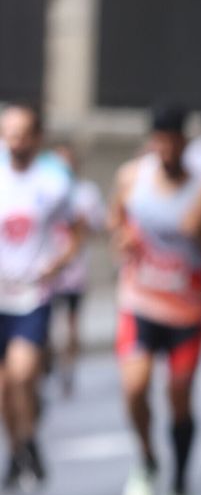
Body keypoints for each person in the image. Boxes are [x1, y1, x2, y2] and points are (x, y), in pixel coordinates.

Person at [108, 105, 201, 495]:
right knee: (133, 389)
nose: (164, 149)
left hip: (185, 313)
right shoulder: (131, 177)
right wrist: (121, 240)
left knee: (179, 400)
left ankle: (179, 484)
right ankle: (146, 460)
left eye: (172, 141)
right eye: (157, 141)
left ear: (184, 143)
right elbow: (116, 221)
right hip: (140, 303)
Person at [0, 103, 79, 491]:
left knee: (22, 374)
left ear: (36, 138)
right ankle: (20, 448)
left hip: (33, 295)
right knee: (4, 389)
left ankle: (27, 437)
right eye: (7, 132)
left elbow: (78, 230)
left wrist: (58, 263)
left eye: (21, 133)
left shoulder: (53, 183)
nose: (13, 140)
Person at [48, 142, 106, 399]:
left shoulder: (85, 193)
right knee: (45, 326)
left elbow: (97, 226)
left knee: (71, 324)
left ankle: (68, 367)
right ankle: (47, 362)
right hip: (44, 274)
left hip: (73, 273)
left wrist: (80, 231)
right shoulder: (42, 188)